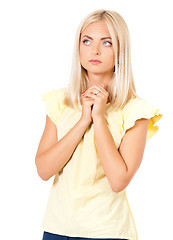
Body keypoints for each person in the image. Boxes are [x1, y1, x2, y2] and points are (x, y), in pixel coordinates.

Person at [35, 9, 163, 240]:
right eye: (87, 41)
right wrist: (84, 119)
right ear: (78, 48)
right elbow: (43, 170)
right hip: (56, 229)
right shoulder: (59, 102)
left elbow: (118, 180)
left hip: (107, 231)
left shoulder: (135, 110)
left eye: (107, 42)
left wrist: (99, 117)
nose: (95, 50)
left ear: (120, 50)